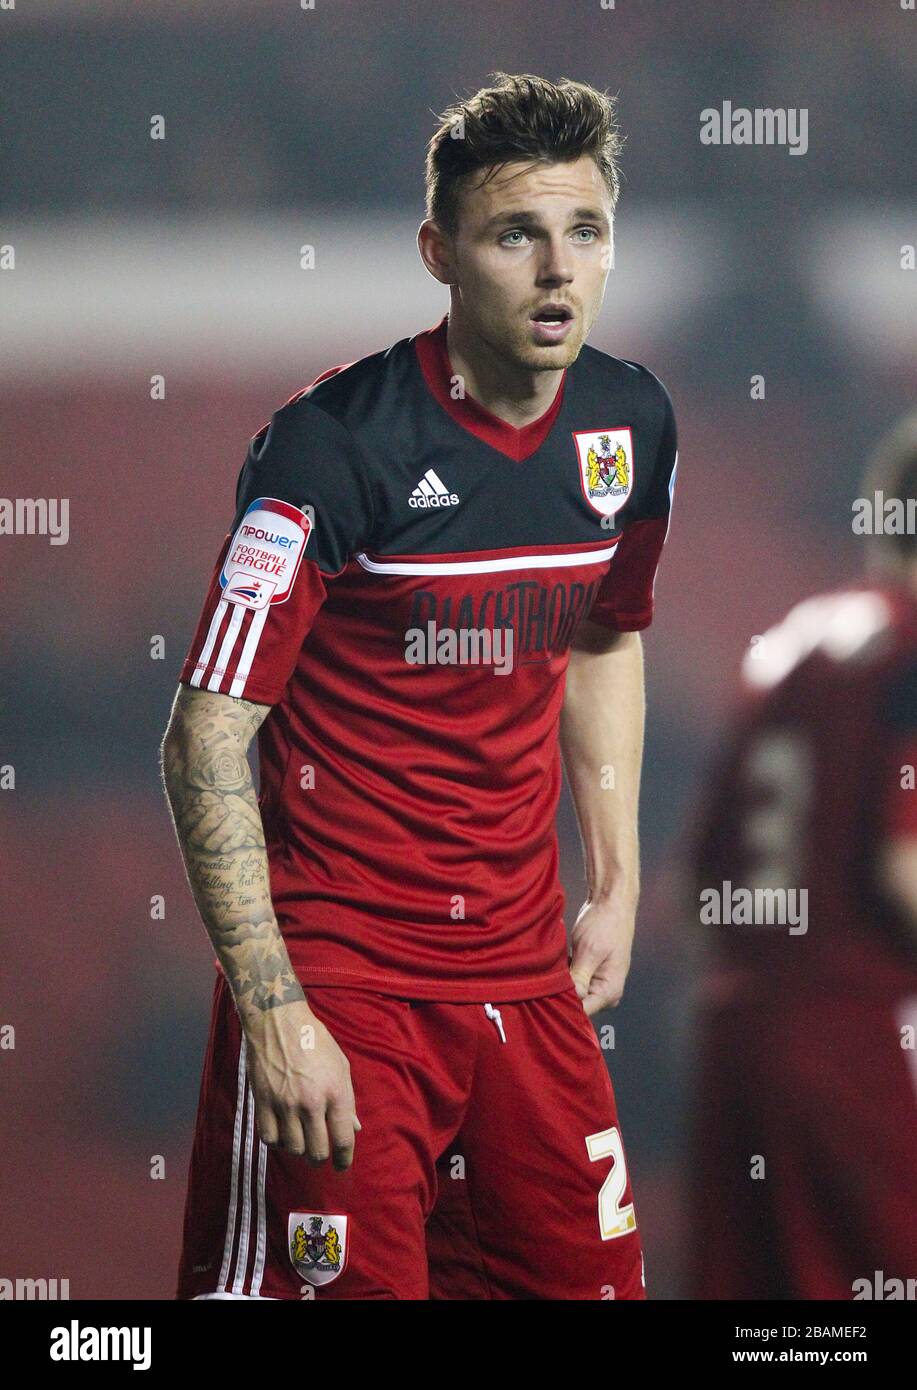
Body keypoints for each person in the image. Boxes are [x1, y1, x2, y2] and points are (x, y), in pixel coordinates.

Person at [161, 71, 678, 1300]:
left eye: (584, 231)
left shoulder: (630, 420)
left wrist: (614, 878)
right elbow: (203, 738)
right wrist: (276, 1011)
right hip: (344, 982)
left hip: (522, 976)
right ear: (438, 252)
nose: (556, 269)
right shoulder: (330, 446)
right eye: (515, 234)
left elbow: (606, 634)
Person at [687, 411, 917, 1300]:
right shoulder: (908, 650)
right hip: (860, 1038)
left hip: (738, 1036)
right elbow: (904, 867)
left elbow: (701, 882)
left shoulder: (786, 649)